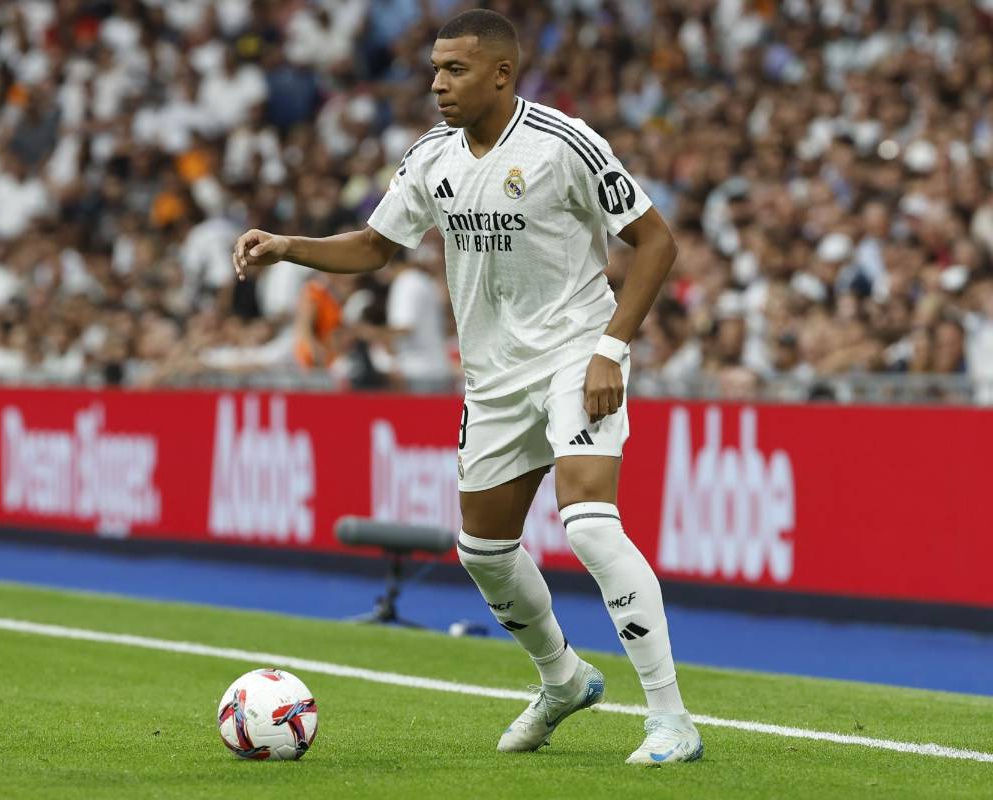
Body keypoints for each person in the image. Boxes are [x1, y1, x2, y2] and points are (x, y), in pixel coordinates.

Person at [233, 9, 701, 765]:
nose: (438, 84)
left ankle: (671, 719)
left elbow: (656, 240)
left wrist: (610, 349)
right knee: (483, 551)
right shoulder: (431, 156)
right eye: (435, 70)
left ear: (502, 73)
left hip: (574, 355)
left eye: (455, 69)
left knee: (588, 525)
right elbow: (376, 246)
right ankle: (563, 679)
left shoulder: (563, 143)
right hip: (492, 378)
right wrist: (289, 246)